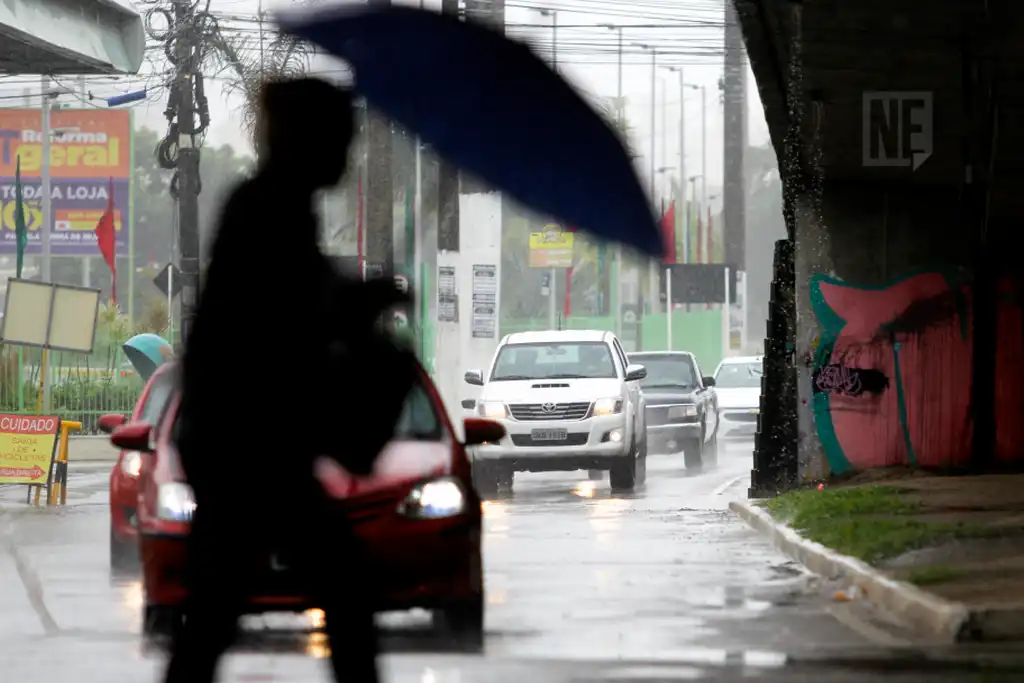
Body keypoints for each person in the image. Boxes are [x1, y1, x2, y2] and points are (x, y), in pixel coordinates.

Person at [164, 77, 414, 683]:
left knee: (220, 614)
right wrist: (361, 304)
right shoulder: (267, 208)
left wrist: (360, 299)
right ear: (306, 140)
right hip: (246, 448)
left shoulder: (280, 207)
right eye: (340, 141)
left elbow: (303, 301)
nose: (346, 158)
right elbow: (283, 317)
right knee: (331, 595)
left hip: (255, 448)